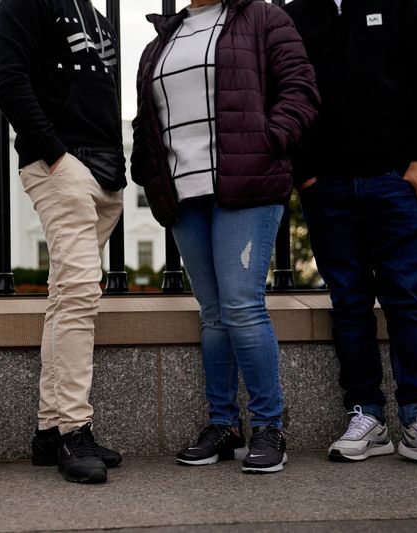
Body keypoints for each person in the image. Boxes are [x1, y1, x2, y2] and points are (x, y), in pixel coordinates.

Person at [131, 0, 319, 473]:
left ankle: (269, 427)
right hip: (184, 193)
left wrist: (267, 143)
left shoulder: (262, 17)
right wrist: (146, 169)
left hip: (246, 184)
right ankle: (224, 426)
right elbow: (145, 120)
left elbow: (300, 90)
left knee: (241, 307)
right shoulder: (161, 40)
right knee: (213, 314)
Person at [284, 0, 417, 472]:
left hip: (396, 177)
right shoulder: (296, 14)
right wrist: (305, 173)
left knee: (407, 299)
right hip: (327, 187)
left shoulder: (400, 3)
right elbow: (286, 91)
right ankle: (367, 416)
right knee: (349, 303)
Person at [0, 0, 125, 484]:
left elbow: (105, 97)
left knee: (65, 297)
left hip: (106, 172)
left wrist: (117, 168)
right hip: (62, 165)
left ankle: (49, 431)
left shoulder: (96, 16)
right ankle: (75, 429)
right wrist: (53, 154)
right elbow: (8, 81)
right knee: (82, 293)